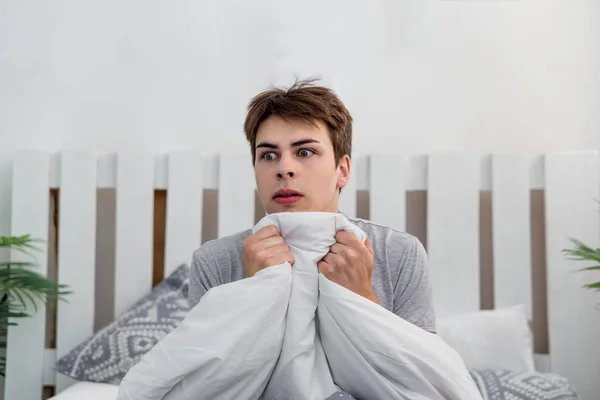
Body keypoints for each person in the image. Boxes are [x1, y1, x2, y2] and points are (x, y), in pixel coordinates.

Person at [188, 78, 436, 334]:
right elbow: (207, 373)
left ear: (342, 170)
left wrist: (362, 296)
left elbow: (420, 373)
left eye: (305, 152)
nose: (284, 169)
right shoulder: (214, 263)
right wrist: (254, 296)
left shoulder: (399, 254)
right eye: (268, 156)